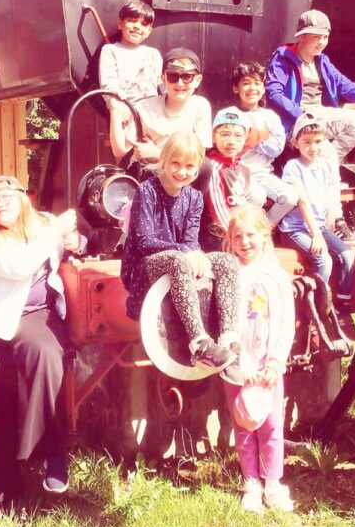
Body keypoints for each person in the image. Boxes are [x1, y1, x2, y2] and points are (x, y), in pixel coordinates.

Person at [0, 175, 83, 527]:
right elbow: (20, 265)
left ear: (23, 199)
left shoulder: (44, 224)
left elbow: (74, 239)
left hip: (37, 316)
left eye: (6, 197)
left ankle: (52, 450)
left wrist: (75, 240)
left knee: (48, 358)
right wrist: (56, 234)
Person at [120, 131, 243, 371]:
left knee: (226, 261)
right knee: (179, 260)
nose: (181, 171)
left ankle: (229, 338)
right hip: (144, 268)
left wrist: (195, 252)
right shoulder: (147, 191)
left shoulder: (195, 197)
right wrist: (187, 251)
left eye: (189, 166)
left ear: (197, 168)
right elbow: (145, 241)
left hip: (178, 258)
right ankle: (200, 344)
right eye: (175, 163)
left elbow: (190, 239)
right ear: (164, 161)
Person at [222, 205, 296, 513]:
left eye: (251, 234)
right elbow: (223, 324)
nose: (244, 242)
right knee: (244, 423)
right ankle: (251, 482)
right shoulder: (228, 275)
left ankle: (273, 483)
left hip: (268, 367)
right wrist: (240, 366)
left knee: (271, 425)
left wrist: (276, 363)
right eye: (237, 236)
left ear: (265, 236)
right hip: (239, 367)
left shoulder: (276, 277)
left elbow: (285, 323)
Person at [265, 9, 355, 161]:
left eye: (325, 37)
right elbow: (274, 93)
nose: (321, 42)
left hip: (319, 118)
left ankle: (324, 163)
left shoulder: (323, 62)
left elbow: (346, 86)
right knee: (326, 147)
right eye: (316, 37)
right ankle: (323, 164)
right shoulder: (283, 59)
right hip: (295, 120)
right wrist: (302, 115)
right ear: (301, 36)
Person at [279, 113, 355, 306]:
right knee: (324, 260)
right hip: (295, 228)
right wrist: (317, 235)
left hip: (319, 227)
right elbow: (302, 201)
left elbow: (332, 195)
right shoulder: (293, 167)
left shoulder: (328, 166)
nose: (314, 147)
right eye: (307, 142)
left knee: (348, 255)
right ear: (296, 143)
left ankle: (342, 304)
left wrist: (329, 223)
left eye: (318, 141)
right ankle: (320, 308)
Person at [110, 46, 212, 166]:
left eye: (187, 77)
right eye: (173, 76)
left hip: (182, 172)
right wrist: (115, 112)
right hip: (149, 170)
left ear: (197, 80)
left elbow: (199, 155)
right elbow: (119, 151)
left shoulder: (200, 106)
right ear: (163, 79)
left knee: (205, 166)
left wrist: (156, 153)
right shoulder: (145, 107)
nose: (179, 83)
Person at [231, 61, 299, 226]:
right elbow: (232, 145)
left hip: (263, 173)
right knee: (258, 197)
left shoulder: (271, 116)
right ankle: (242, 232)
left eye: (257, 83)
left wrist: (252, 139)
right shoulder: (231, 114)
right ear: (236, 88)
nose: (252, 88)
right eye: (246, 83)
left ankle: (264, 229)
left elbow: (276, 148)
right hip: (239, 171)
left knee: (290, 197)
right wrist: (262, 135)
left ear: (263, 89)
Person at [193, 106, 266, 251]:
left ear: (245, 137)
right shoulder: (212, 167)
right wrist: (235, 239)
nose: (231, 141)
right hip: (219, 235)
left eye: (238, 136)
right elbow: (217, 209)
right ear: (214, 136)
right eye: (225, 134)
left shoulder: (243, 168)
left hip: (239, 233)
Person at [98, 0, 163, 103]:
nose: (137, 26)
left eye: (143, 24)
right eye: (132, 21)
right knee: (116, 106)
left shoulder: (153, 54)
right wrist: (116, 102)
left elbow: (163, 84)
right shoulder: (110, 50)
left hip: (151, 107)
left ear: (148, 31)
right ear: (120, 23)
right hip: (123, 103)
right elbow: (108, 82)